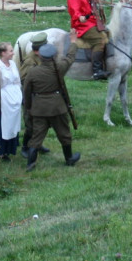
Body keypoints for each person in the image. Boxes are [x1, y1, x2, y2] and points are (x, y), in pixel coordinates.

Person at [23, 35, 81, 172]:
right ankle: (69, 158)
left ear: (41, 57)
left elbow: (26, 92)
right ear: (53, 55)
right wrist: (73, 43)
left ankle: (30, 164)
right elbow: (70, 57)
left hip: (39, 109)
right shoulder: (59, 67)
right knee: (64, 134)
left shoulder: (32, 72)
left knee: (37, 137)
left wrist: (30, 107)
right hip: (57, 107)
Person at [67, 0, 109, 80]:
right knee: (100, 41)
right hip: (81, 26)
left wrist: (94, 0)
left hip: (92, 22)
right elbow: (75, 12)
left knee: (108, 33)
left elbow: (88, 2)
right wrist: (81, 17)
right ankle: (97, 70)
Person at [0, 42, 22, 160]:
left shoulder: (12, 64)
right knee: (3, 125)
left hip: (15, 98)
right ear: (3, 53)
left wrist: (18, 94)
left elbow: (17, 80)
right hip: (4, 99)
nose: (13, 53)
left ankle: (9, 149)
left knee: (13, 124)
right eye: (11, 51)